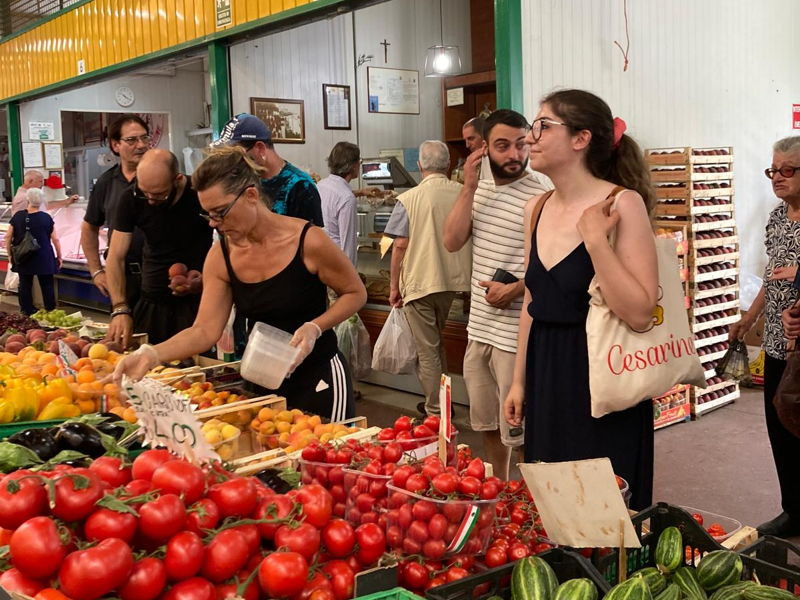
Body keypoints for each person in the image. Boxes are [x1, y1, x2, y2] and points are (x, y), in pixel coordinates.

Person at [112, 146, 367, 422]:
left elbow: (355, 293)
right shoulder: (222, 255)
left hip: (319, 376)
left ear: (251, 195)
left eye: (220, 212)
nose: (214, 223)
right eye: (208, 214)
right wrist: (151, 354)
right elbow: (203, 330)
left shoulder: (308, 240)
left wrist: (315, 327)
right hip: (262, 377)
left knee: (328, 457)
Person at [502, 89, 658, 510]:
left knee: (603, 509)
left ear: (581, 138)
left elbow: (641, 312)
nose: (529, 137)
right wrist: (519, 380)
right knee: (553, 504)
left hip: (603, 374)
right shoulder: (535, 208)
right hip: (546, 371)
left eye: (543, 126)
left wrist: (596, 241)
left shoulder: (623, 204)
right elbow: (533, 303)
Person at [443, 109, 551, 480]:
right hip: (479, 330)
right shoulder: (478, 188)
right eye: (502, 146)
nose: (514, 155)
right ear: (485, 147)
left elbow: (552, 263)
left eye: (521, 145)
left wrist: (517, 287)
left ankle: (533, 507)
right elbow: (452, 240)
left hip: (516, 335)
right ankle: (500, 496)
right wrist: (469, 186)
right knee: (488, 426)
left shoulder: (541, 193)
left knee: (521, 433)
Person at [730, 136, 800, 536]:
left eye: (787, 170)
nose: (777, 178)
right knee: (781, 430)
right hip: (776, 343)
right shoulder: (776, 218)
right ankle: (792, 508)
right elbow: (772, 277)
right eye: (773, 170)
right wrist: (749, 319)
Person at [384, 141, 472, 416]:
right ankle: (445, 402)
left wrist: (393, 286)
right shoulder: (463, 193)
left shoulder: (409, 198)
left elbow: (399, 245)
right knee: (436, 344)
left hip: (420, 283)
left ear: (420, 166)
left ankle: (436, 410)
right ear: (447, 165)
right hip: (453, 282)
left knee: (428, 350)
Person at [106, 149, 213, 347]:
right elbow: (115, 256)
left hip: (199, 300)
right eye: (143, 192)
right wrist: (120, 308)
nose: (149, 200)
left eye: (158, 195)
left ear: (177, 179)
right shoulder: (131, 197)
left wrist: (206, 279)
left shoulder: (200, 194)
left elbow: (229, 244)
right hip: (152, 298)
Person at [81, 114, 149, 305]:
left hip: (161, 279)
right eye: (132, 140)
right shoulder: (107, 182)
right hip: (123, 278)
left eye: (145, 137)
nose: (141, 145)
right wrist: (96, 271)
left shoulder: (162, 178)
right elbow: (89, 227)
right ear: (115, 145)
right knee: (125, 332)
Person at [213, 113, 323, 226]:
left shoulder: (301, 186)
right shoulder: (242, 181)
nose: (234, 162)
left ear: (260, 148)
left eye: (237, 155)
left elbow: (313, 239)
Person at [317, 142, 385, 266]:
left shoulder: (321, 185)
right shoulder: (347, 198)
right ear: (353, 166)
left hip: (320, 258)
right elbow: (348, 244)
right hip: (337, 264)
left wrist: (360, 192)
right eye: (359, 161)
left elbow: (335, 198)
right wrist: (352, 278)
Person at [5, 188, 62, 315]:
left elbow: (8, 236)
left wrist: (10, 254)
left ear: (27, 199)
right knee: (47, 284)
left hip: (23, 256)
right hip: (44, 255)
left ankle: (27, 311)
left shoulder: (18, 216)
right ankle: (50, 310)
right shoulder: (46, 217)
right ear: (41, 201)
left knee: (25, 284)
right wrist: (59, 256)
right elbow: (56, 239)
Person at [11, 170, 78, 215]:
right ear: (30, 181)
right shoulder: (23, 197)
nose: (42, 184)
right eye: (40, 181)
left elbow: (46, 205)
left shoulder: (32, 194)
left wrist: (67, 201)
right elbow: (18, 220)